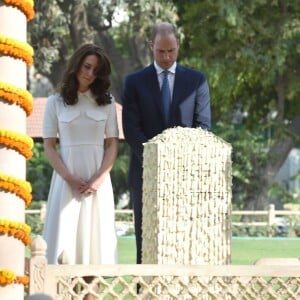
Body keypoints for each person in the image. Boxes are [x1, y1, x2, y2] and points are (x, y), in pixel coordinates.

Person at [122, 22, 211, 265]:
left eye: (171, 51)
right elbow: (131, 129)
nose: (166, 56)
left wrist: (176, 162)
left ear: (178, 46)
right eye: (161, 51)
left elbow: (203, 127)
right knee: (146, 243)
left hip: (185, 176)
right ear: (151, 46)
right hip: (144, 175)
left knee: (184, 242)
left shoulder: (197, 81)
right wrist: (155, 160)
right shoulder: (134, 82)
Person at [42, 44, 119, 296]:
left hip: (97, 187)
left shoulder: (106, 103)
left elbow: (111, 145)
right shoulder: (55, 102)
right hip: (66, 185)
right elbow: (50, 147)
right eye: (87, 67)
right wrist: (70, 178)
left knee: (93, 250)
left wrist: (98, 179)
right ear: (76, 65)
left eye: (96, 70)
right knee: (64, 251)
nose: (89, 74)